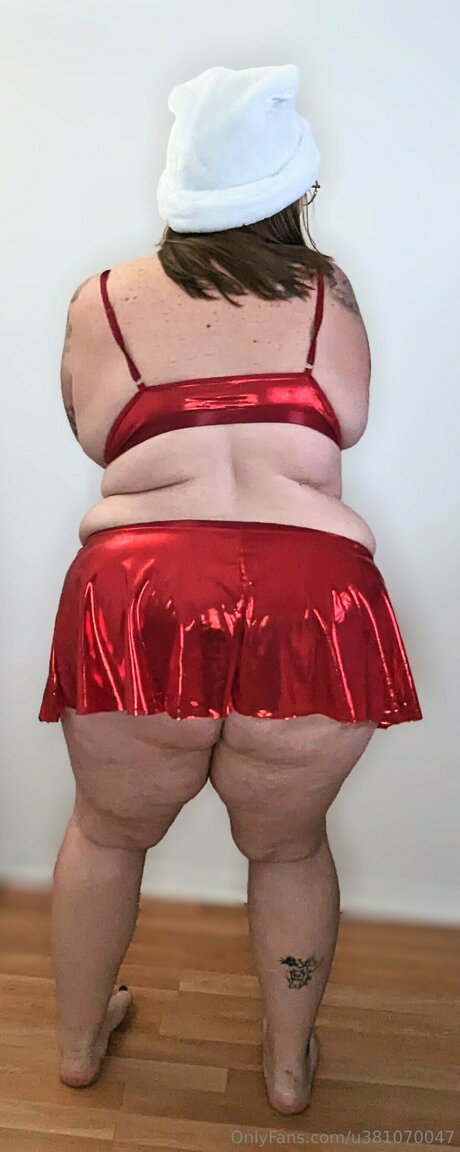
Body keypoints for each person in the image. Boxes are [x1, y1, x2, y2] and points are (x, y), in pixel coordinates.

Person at [38, 64, 422, 1114]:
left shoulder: (101, 299)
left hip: (140, 587)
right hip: (310, 592)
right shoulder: (325, 291)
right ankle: (289, 1066)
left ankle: (79, 1044)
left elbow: (94, 433)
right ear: (292, 188)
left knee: (107, 831)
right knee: (289, 846)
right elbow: (345, 419)